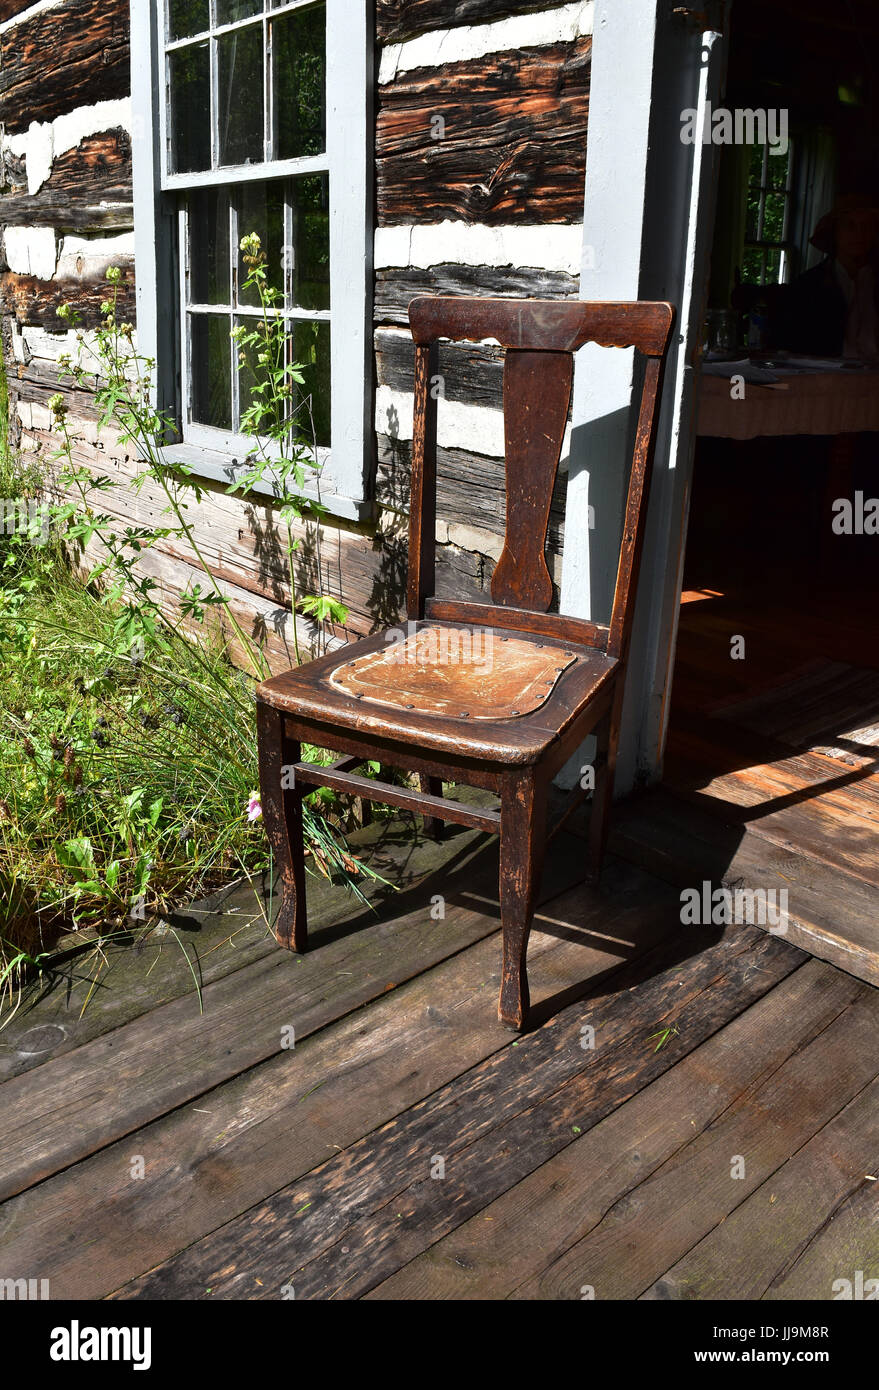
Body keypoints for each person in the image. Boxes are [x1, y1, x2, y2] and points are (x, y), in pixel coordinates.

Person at [778, 193, 879, 358]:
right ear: (835, 232)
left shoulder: (875, 281)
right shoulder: (809, 286)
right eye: (850, 226)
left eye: (867, 226)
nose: (859, 233)